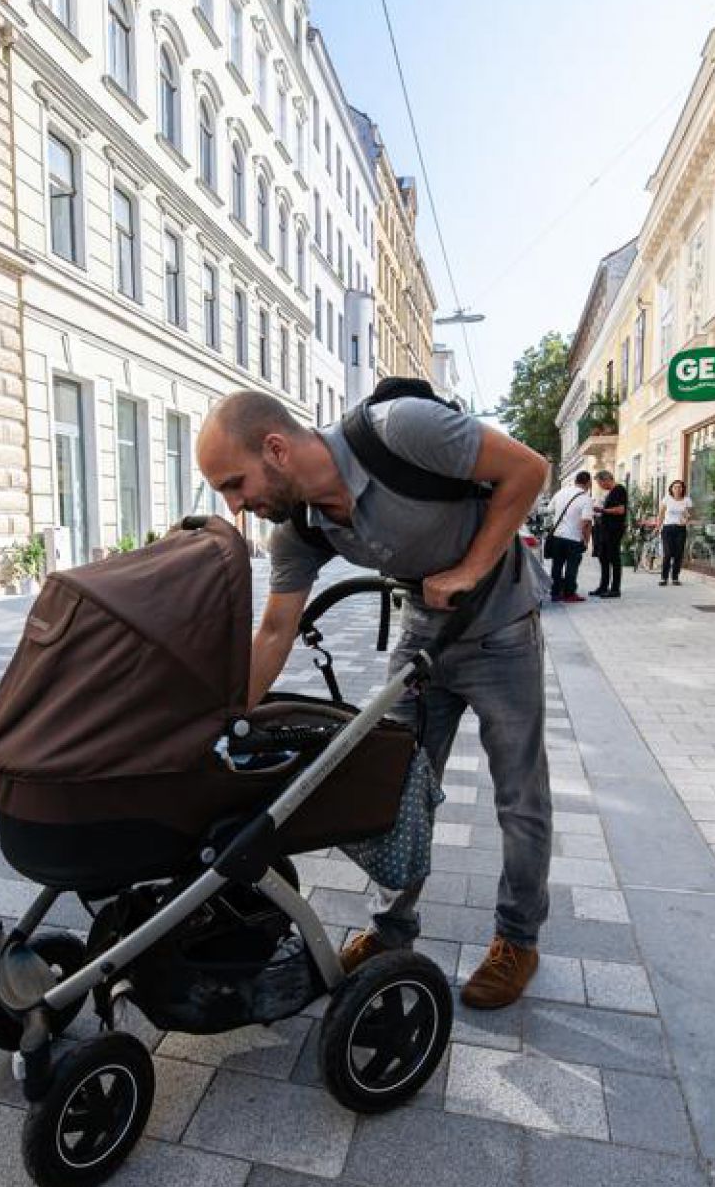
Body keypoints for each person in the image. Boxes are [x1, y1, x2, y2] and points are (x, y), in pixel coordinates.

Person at [195, 380, 555, 1009]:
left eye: (234, 484)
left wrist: (471, 568)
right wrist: (225, 720)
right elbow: (277, 629)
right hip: (424, 634)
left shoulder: (401, 429)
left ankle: (517, 940)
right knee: (395, 783)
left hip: (501, 631)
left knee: (519, 797)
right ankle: (391, 931)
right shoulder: (299, 531)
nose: (236, 506)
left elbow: (529, 469)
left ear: (276, 449)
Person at [545, 471, 595, 603]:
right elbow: (585, 522)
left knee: (557, 565)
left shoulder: (561, 492)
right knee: (572, 567)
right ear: (588, 483)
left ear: (576, 481)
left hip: (557, 536)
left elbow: (549, 510)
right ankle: (569, 593)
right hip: (573, 537)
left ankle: (555, 592)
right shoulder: (586, 498)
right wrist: (586, 539)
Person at [591, 470, 628, 597]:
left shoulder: (619, 490)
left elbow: (620, 510)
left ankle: (615, 589)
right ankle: (603, 586)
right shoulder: (611, 492)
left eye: (600, 483)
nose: (600, 486)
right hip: (606, 530)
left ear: (606, 480)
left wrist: (602, 510)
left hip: (614, 530)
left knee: (614, 558)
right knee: (603, 558)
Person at [658, 480, 693, 585]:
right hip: (667, 529)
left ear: (683, 489)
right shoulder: (667, 499)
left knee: (678, 554)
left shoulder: (687, 500)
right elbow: (661, 515)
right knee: (667, 554)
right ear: (671, 489)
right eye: (675, 487)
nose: (677, 489)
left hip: (680, 529)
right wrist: (658, 527)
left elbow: (690, 514)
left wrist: (686, 520)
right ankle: (664, 578)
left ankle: (675, 577)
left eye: (680, 487)